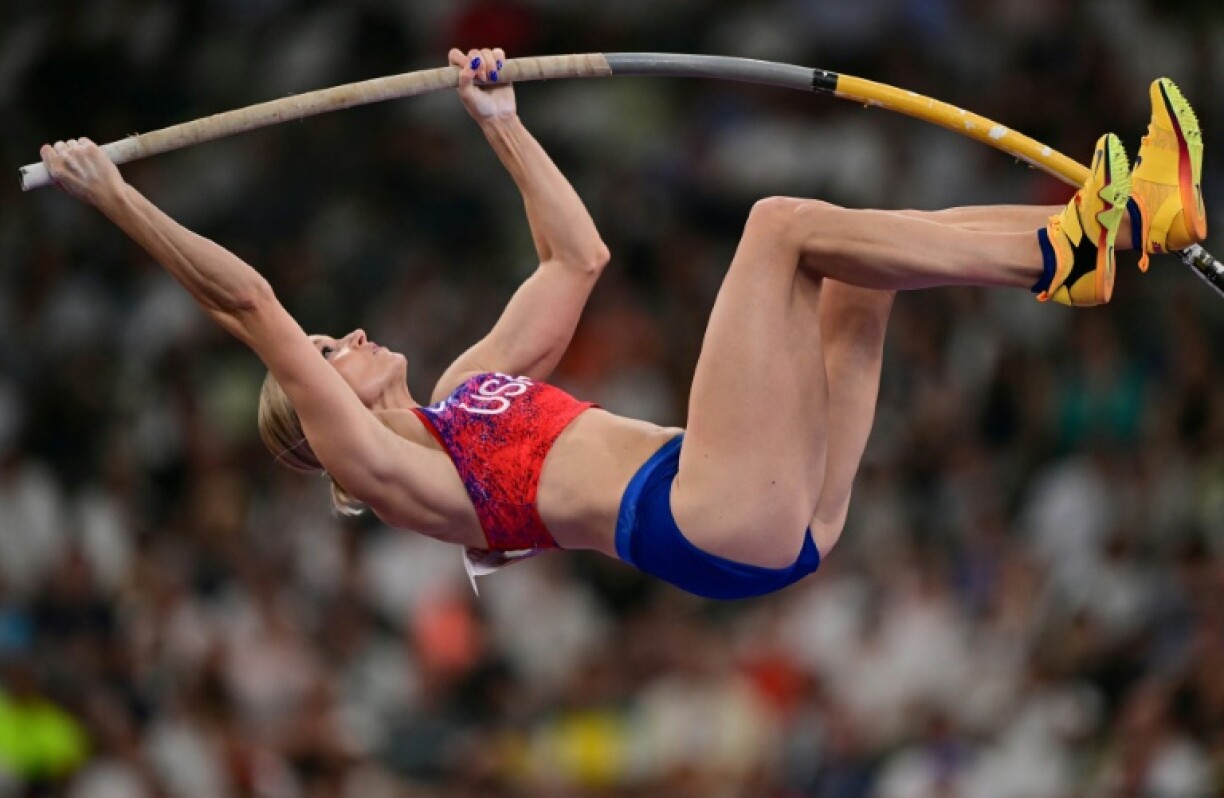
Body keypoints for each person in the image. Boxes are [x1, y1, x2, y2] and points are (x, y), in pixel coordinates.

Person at [38, 48, 1207, 600]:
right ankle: (1074, 244)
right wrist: (119, 197)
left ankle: (1110, 230)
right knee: (780, 226)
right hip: (709, 516)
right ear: (319, 413)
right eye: (330, 357)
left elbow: (576, 256)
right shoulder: (392, 468)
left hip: (770, 520)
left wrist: (500, 120)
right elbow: (249, 304)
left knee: (858, 271)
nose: (345, 342)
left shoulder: (467, 389)